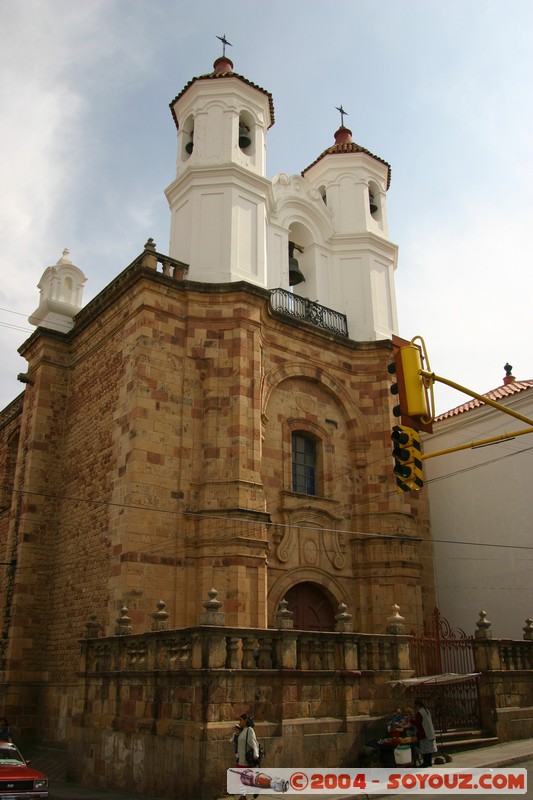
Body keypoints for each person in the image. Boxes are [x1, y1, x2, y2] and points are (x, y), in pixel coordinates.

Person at [235, 714, 259, 800]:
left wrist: (256, 755)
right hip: (241, 759)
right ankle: (243, 795)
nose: (239, 722)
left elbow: (254, 743)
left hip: (246, 760)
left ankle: (244, 795)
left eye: (241, 720)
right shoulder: (242, 731)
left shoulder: (249, 730)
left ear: (245, 721)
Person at [411, 698, 437, 767]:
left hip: (424, 732)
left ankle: (426, 762)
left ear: (418, 705)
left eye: (415, 706)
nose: (415, 708)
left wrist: (410, 720)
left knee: (425, 749)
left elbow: (417, 722)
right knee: (429, 749)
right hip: (429, 731)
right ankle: (429, 762)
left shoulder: (420, 712)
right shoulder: (426, 710)